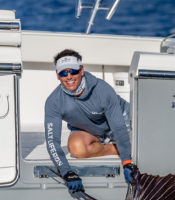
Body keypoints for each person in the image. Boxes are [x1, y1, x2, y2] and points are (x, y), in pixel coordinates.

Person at [45, 49, 135, 191]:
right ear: (57, 75)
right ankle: (114, 148)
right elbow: (52, 142)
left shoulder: (102, 89)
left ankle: (124, 146)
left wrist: (127, 162)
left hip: (121, 119)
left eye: (73, 71)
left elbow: (118, 127)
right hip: (89, 130)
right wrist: (66, 171)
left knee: (147, 144)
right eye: (63, 73)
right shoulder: (53, 101)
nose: (69, 77)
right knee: (76, 148)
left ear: (81, 70)